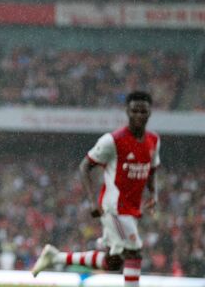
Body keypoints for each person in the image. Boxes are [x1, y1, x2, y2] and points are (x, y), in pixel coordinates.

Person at [31, 91, 159, 287]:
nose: (139, 115)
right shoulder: (113, 140)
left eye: (143, 111)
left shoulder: (153, 141)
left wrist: (153, 193)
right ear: (127, 112)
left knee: (112, 262)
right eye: (135, 111)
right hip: (114, 208)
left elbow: (151, 169)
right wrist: (92, 201)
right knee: (134, 251)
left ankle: (56, 257)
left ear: (150, 113)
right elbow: (85, 166)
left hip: (131, 209)